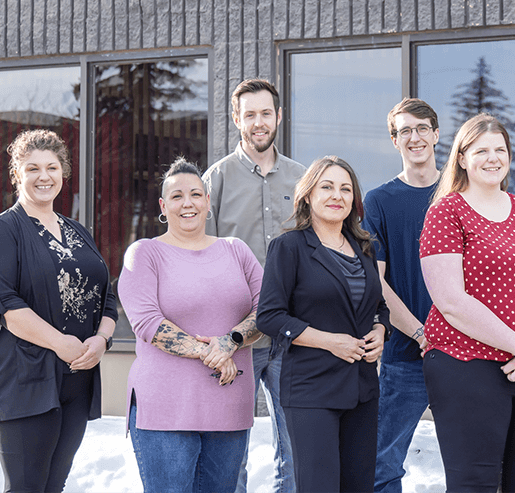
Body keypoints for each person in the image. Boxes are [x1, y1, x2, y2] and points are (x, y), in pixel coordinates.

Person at [419, 113, 515, 493]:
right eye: (481, 150)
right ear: (463, 158)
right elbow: (451, 301)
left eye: (500, 149)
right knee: (475, 484)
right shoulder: (446, 213)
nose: (492, 157)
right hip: (466, 366)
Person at [0, 129, 118, 493]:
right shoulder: (1, 231)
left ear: (63, 172)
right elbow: (3, 304)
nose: (44, 176)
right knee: (26, 487)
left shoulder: (79, 231)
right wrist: (62, 343)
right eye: (32, 168)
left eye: (52, 167)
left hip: (77, 379)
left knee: (55, 485)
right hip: (25, 378)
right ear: (16, 175)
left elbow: (106, 296)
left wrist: (102, 340)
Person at [118, 157, 264, 493]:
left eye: (196, 194)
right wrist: (213, 353)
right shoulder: (144, 254)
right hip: (166, 408)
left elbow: (268, 309)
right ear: (163, 205)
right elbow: (148, 323)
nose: (188, 203)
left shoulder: (236, 250)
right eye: (178, 196)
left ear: (208, 202)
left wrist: (231, 341)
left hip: (229, 406)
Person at [257, 156, 391, 493]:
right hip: (311, 390)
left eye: (346, 189)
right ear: (308, 196)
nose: (338, 195)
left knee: (358, 487)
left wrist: (381, 331)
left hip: (362, 389)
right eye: (327, 187)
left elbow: (380, 307)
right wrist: (330, 341)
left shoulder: (364, 249)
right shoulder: (288, 247)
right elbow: (270, 317)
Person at [202, 78, 306, 493]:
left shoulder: (302, 179)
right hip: (235, 338)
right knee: (231, 452)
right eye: (249, 115)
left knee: (296, 445)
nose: (258, 122)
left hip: (290, 336)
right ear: (236, 119)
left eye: (266, 113)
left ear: (278, 116)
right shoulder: (215, 180)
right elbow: (199, 254)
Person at [364, 99, 441, 493]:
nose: (415, 137)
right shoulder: (379, 201)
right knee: (383, 465)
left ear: (436, 135)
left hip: (467, 355)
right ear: (395, 141)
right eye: (404, 131)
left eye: (422, 128)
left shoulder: (460, 196)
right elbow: (376, 282)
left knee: (476, 462)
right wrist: (421, 334)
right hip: (404, 359)